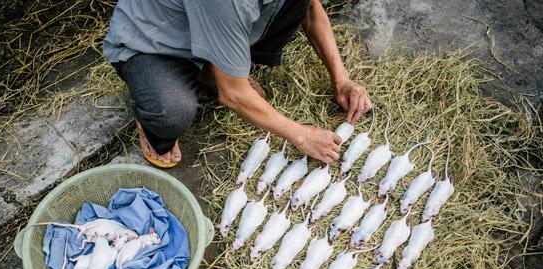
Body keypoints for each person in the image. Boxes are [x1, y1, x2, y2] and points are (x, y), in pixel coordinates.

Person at [104, 0, 372, 168]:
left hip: (210, 24)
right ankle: (153, 119)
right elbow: (232, 94)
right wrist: (301, 135)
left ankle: (214, 67)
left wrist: (342, 80)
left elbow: (312, 10)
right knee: (171, 113)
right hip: (154, 43)